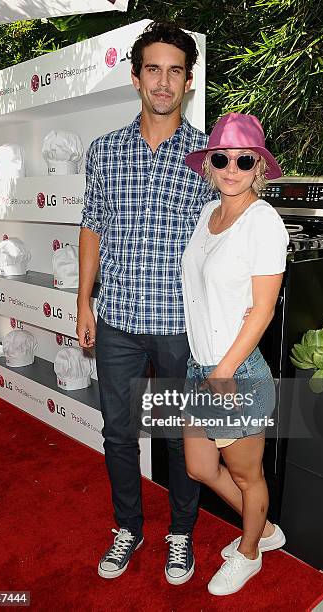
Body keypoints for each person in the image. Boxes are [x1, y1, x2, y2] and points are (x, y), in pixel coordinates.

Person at [76, 21, 215, 584]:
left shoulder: (212, 158)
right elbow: (93, 225)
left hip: (183, 326)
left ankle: (180, 534)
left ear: (188, 81)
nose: (163, 81)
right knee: (117, 432)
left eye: (175, 71)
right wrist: (83, 301)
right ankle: (127, 528)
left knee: (184, 435)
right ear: (136, 78)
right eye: (153, 69)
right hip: (118, 322)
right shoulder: (104, 151)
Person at [182, 112, 289, 596]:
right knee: (199, 467)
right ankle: (263, 529)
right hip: (199, 366)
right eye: (221, 157)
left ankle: (249, 553)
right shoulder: (208, 214)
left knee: (249, 477)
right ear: (209, 163)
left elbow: (263, 311)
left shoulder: (264, 223)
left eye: (243, 159)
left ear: (259, 167)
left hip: (234, 372)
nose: (231, 167)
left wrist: (224, 372)